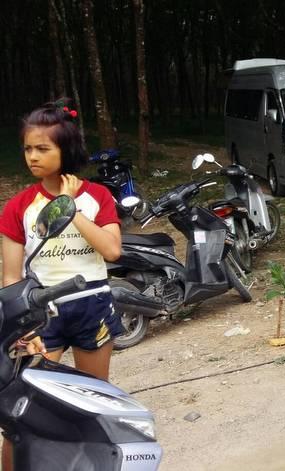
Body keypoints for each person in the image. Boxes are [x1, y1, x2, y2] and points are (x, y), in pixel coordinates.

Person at [0, 100, 123, 469]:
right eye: (27, 148)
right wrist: (22, 325)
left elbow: (112, 250)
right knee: (21, 414)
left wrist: (70, 207)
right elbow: (10, 275)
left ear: (65, 150)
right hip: (41, 314)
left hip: (92, 306)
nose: (32, 157)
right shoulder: (19, 206)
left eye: (42, 148)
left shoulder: (96, 197)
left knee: (92, 402)